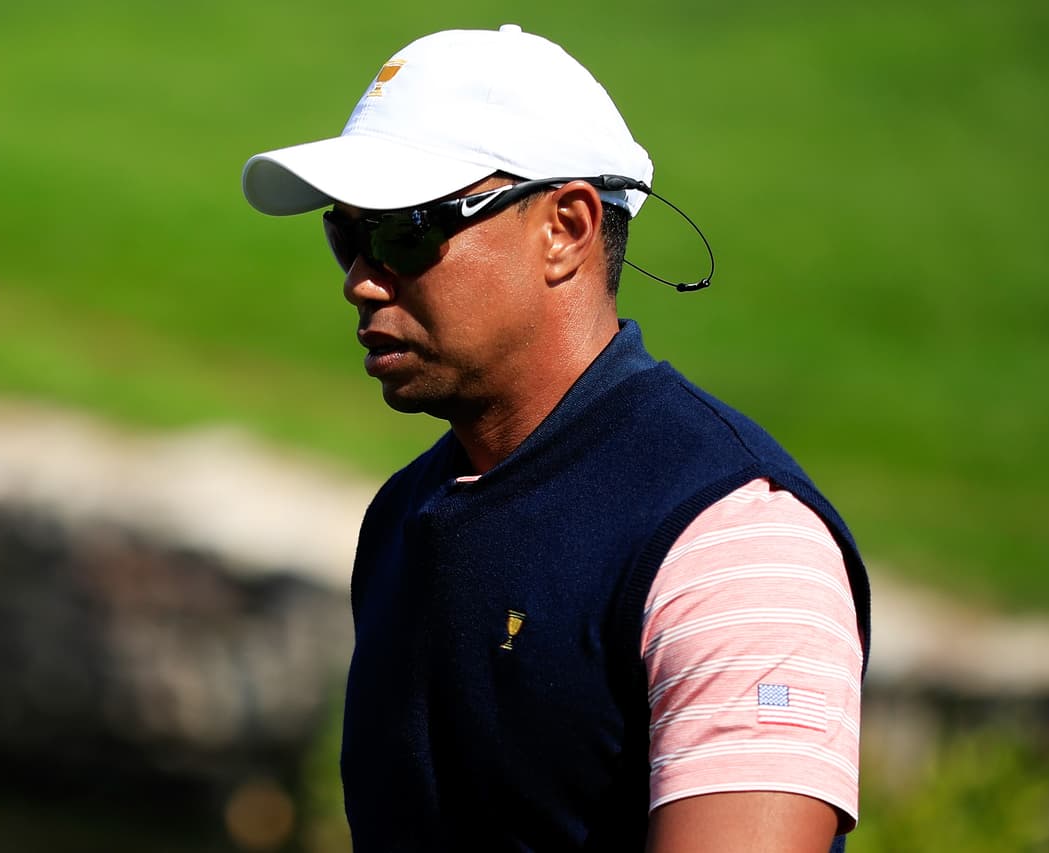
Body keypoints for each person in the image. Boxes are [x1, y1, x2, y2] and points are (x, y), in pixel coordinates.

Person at [241, 24, 870, 853]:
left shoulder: (736, 541)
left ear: (565, 228)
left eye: (405, 231)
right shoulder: (403, 516)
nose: (361, 278)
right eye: (346, 235)